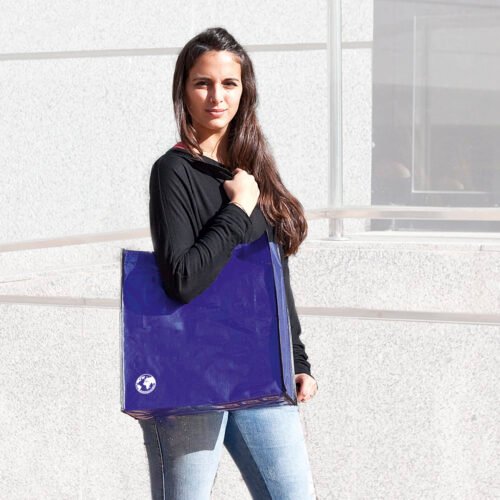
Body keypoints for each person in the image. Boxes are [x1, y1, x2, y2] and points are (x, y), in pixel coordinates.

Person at [140, 26, 318, 500]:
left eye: (229, 83)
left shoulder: (254, 171)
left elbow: (272, 275)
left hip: (261, 368)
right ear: (183, 90)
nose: (216, 96)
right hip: (191, 371)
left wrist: (297, 359)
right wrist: (238, 208)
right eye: (203, 83)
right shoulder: (173, 171)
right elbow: (183, 278)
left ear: (245, 90)